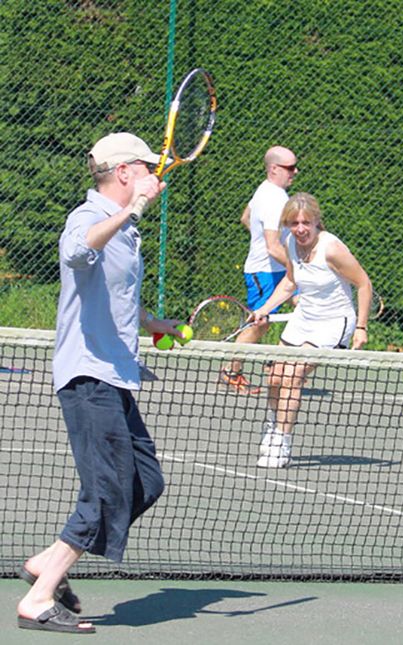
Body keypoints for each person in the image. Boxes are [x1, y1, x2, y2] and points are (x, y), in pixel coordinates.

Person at [16, 132, 182, 633]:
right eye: (149, 168)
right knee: (105, 491)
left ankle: (47, 561)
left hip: (115, 376)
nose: (157, 177)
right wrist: (130, 210)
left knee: (145, 483)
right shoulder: (89, 218)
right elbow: (74, 255)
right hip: (87, 375)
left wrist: (153, 323)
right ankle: (39, 598)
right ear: (126, 172)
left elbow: (112, 295)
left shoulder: (125, 233)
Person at [252, 193, 372, 468]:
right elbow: (289, 282)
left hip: (333, 323)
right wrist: (264, 309)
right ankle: (274, 425)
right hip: (303, 317)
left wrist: (361, 327)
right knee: (274, 377)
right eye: (294, 223)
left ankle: (282, 441)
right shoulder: (290, 243)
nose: (300, 228)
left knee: (292, 376)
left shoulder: (332, 249)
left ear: (317, 221)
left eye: (306, 222)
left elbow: (364, 283)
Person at [222, 145, 299, 394]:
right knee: (259, 322)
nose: (295, 172)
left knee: (305, 308)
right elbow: (271, 246)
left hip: (275, 269)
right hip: (264, 271)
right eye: (290, 168)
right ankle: (231, 372)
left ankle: (275, 362)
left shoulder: (265, 191)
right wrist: (296, 266)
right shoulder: (274, 199)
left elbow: (246, 217)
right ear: (274, 169)